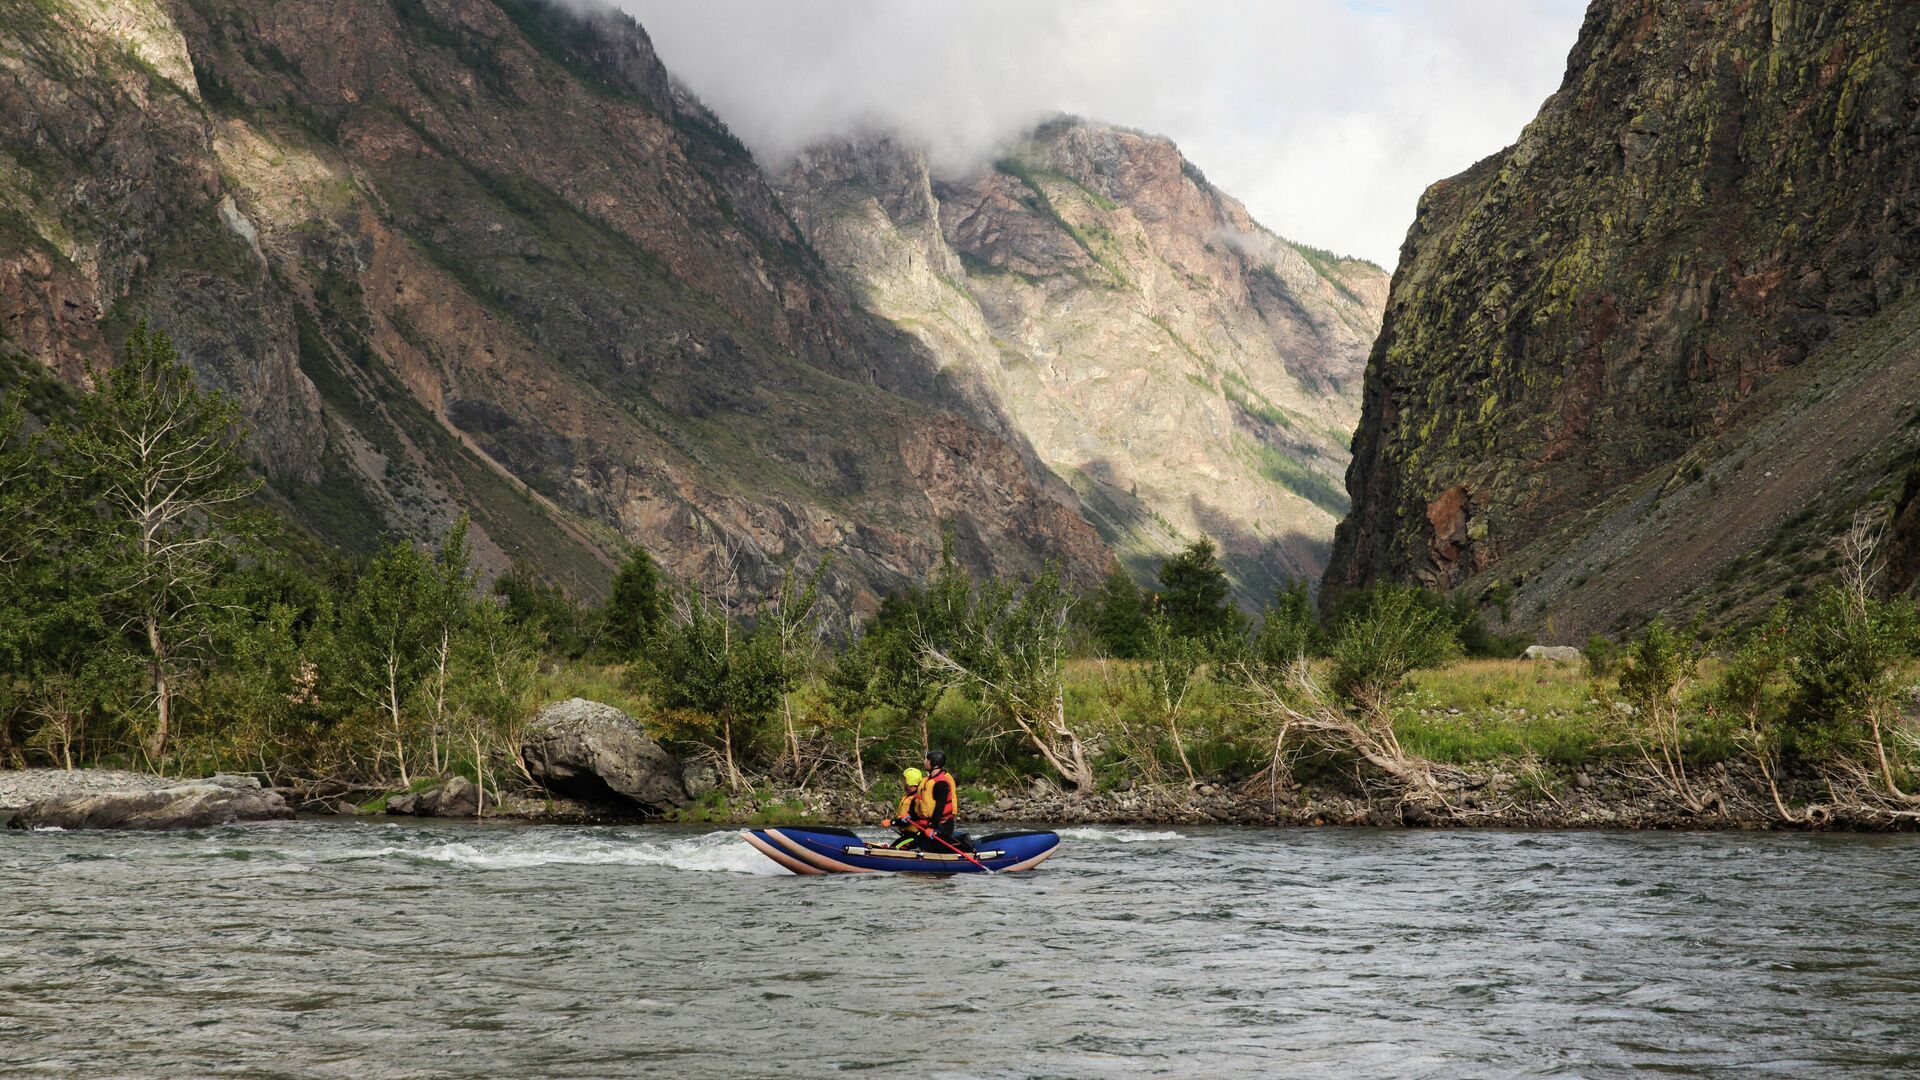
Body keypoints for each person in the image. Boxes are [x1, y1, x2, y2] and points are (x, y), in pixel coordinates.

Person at [918, 750, 961, 850]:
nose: (925, 762)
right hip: (934, 823)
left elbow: (939, 807)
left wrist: (932, 827)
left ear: (934, 763)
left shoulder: (941, 783)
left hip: (942, 826)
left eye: (927, 760)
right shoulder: (929, 780)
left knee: (929, 847)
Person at [881, 767, 926, 848]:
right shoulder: (909, 796)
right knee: (892, 847)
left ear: (910, 781)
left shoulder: (916, 799)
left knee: (894, 849)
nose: (903, 782)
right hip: (908, 835)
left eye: (905, 780)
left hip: (916, 836)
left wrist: (891, 822)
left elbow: (910, 819)